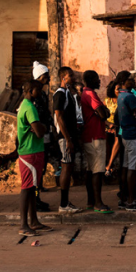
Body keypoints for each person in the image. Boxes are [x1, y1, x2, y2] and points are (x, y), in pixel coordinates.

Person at [17, 80, 53, 236]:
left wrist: (40, 127)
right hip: (30, 152)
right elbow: (39, 131)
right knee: (27, 188)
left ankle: (33, 221)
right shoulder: (30, 108)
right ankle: (24, 224)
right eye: (38, 90)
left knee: (33, 188)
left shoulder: (26, 106)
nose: (40, 92)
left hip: (34, 150)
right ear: (31, 91)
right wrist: (43, 127)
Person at [80, 70, 113, 214]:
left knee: (90, 169)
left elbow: (102, 113)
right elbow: (102, 113)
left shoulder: (85, 94)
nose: (99, 82)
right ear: (91, 80)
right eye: (97, 79)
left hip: (90, 135)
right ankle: (98, 202)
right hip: (95, 136)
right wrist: (104, 111)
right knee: (98, 170)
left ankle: (90, 201)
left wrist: (104, 112)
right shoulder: (90, 94)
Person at [116, 70, 136, 212]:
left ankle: (124, 199)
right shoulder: (129, 97)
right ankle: (131, 201)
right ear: (124, 82)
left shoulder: (121, 95)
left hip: (126, 134)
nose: (133, 81)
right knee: (132, 168)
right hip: (133, 134)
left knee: (126, 166)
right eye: (130, 79)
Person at [53, 66, 83, 214]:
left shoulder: (68, 93)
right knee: (66, 166)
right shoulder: (60, 94)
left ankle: (65, 202)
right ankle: (63, 204)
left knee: (68, 166)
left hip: (69, 136)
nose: (74, 78)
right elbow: (59, 117)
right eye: (70, 76)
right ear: (63, 77)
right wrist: (68, 139)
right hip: (65, 137)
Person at [31, 62, 54, 212]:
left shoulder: (43, 94)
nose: (48, 79)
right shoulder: (34, 97)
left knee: (42, 165)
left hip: (45, 133)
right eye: (46, 76)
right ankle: (35, 199)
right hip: (39, 135)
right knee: (36, 168)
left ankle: (38, 195)